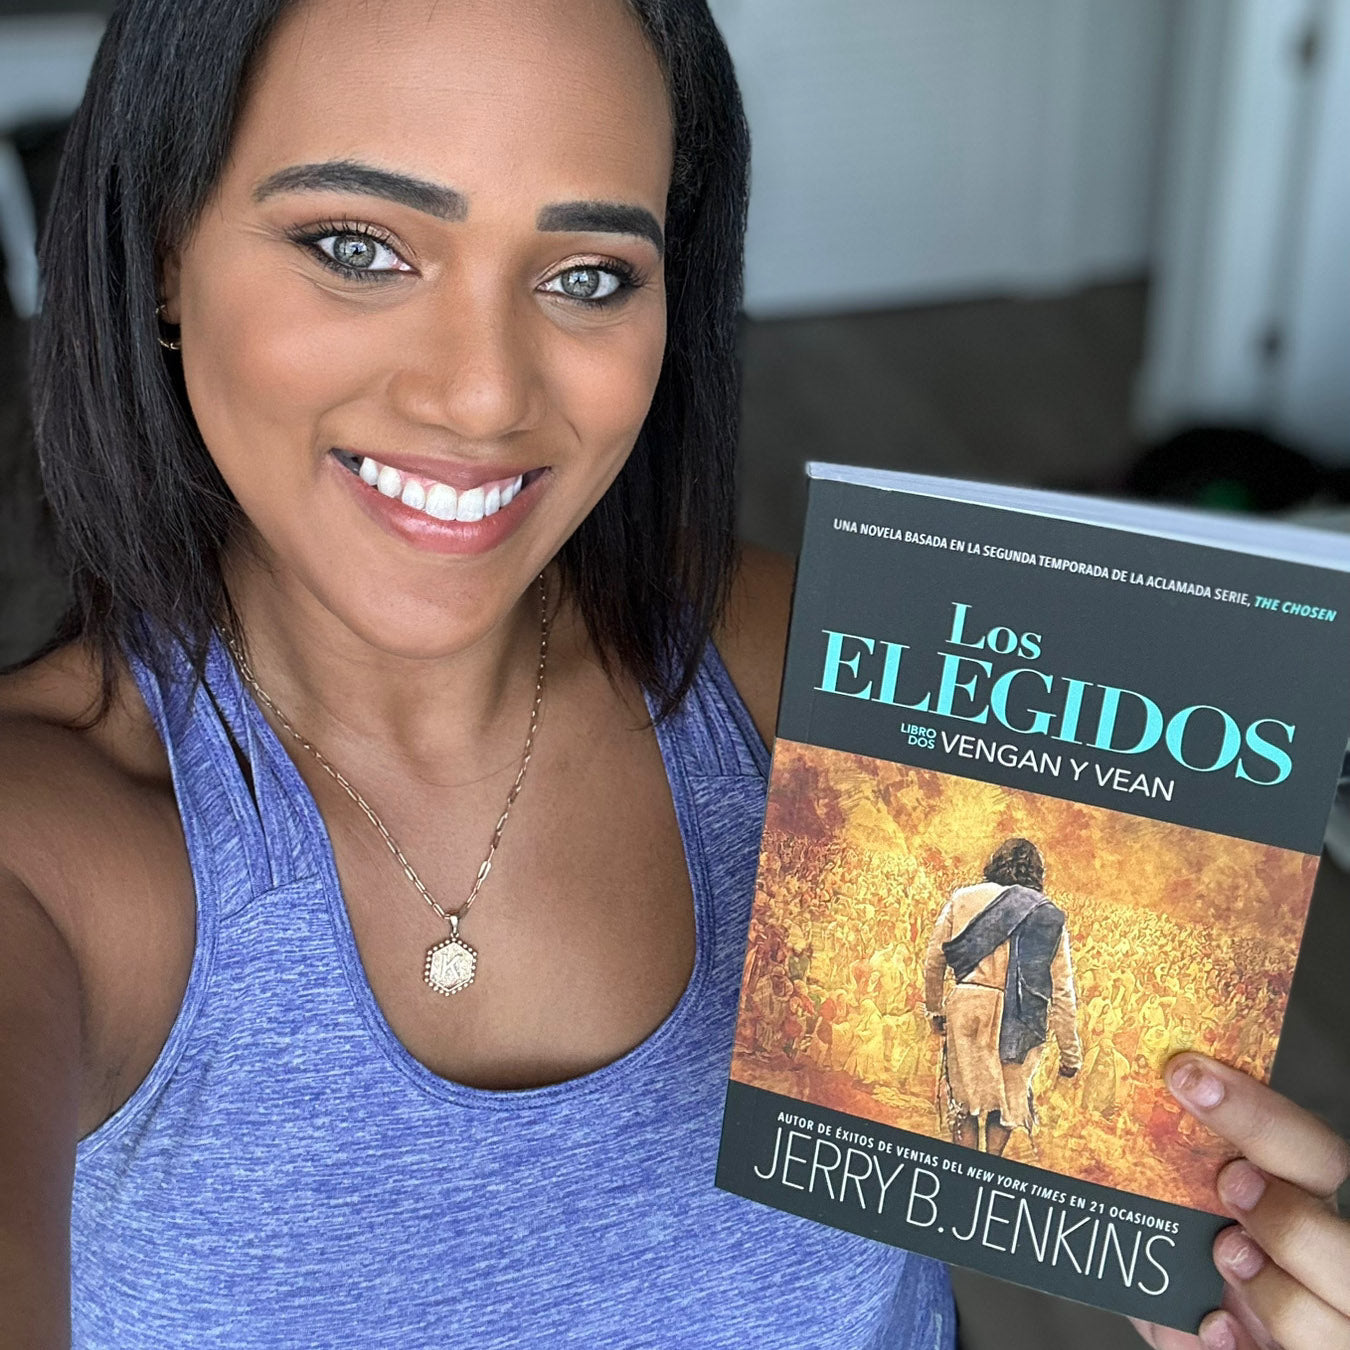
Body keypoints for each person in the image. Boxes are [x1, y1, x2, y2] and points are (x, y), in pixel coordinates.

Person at [0, 3, 1345, 1348]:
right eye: (358, 248)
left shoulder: (816, 689)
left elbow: (1053, 1147)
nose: (483, 394)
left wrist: (1239, 1286)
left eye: (588, 274)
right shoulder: (46, 858)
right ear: (164, 248)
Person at [924, 837, 1082, 1156]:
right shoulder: (1047, 915)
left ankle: (963, 1167)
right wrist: (1071, 1054)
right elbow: (1062, 990)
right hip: (1021, 1019)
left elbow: (934, 960)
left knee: (964, 1103)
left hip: (967, 1007)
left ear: (995, 863)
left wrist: (935, 1009)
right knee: (1006, 1104)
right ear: (1037, 872)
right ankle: (990, 1163)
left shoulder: (963, 898)